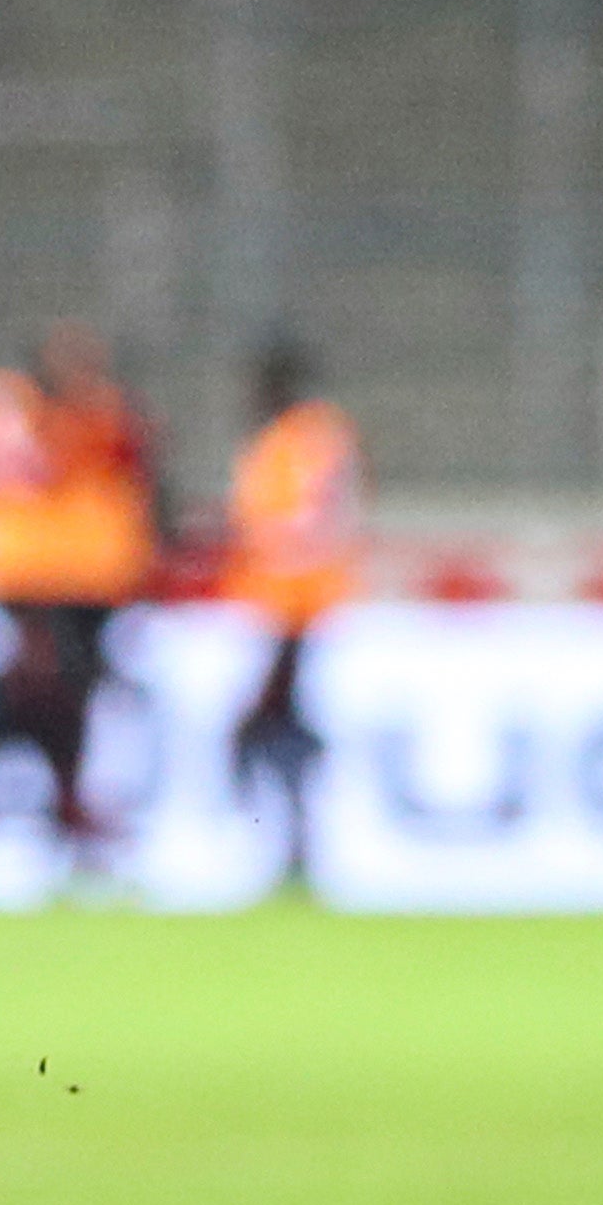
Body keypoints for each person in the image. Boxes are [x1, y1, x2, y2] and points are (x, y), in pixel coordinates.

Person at [0, 324, 160, 862]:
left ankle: (64, 801)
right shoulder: (9, 406)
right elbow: (30, 468)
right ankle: (41, 800)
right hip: (24, 578)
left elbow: (135, 466)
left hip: (89, 583)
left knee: (75, 692)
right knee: (42, 684)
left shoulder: (103, 413)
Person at [218, 340, 363, 891]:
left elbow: (317, 515)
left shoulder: (310, 435)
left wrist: (276, 546)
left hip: (302, 601)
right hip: (275, 601)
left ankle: (285, 831)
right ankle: (290, 835)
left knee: (265, 720)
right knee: (277, 721)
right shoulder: (280, 440)